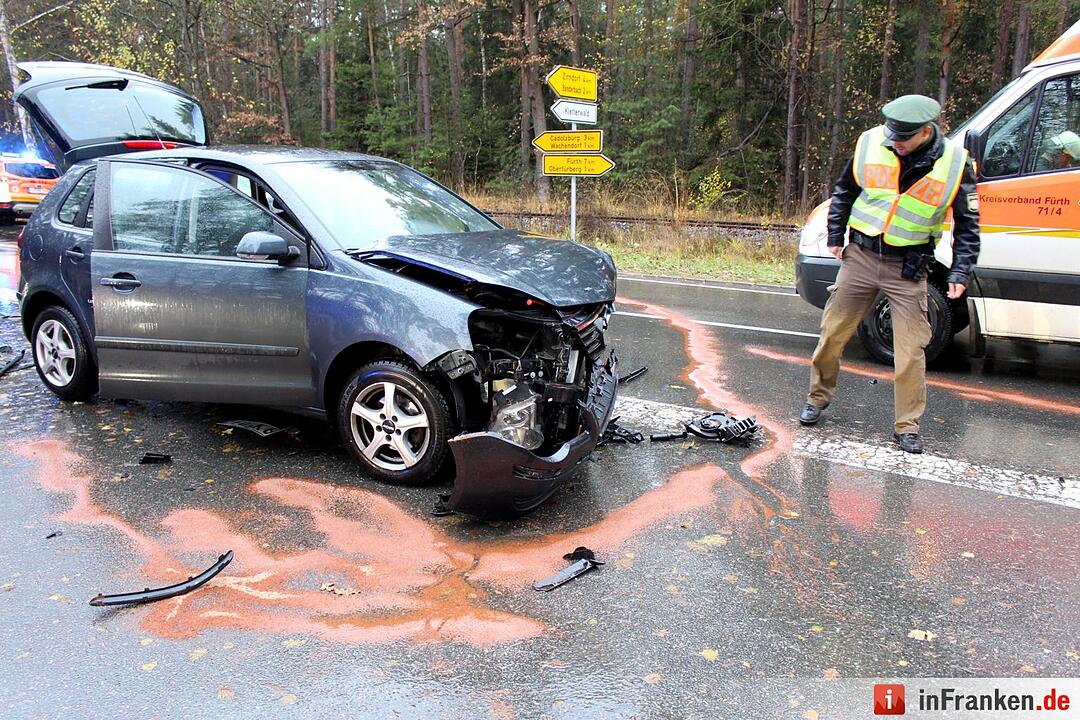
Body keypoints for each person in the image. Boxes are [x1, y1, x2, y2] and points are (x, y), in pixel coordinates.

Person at [799, 94, 980, 454]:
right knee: (832, 334)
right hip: (861, 257)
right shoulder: (871, 142)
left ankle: (907, 427)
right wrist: (835, 234)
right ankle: (817, 397)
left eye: (902, 139)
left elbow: (968, 224)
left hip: (907, 268)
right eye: (891, 135)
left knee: (911, 351)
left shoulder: (955, 162)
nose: (894, 143)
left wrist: (961, 270)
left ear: (925, 132)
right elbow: (845, 190)